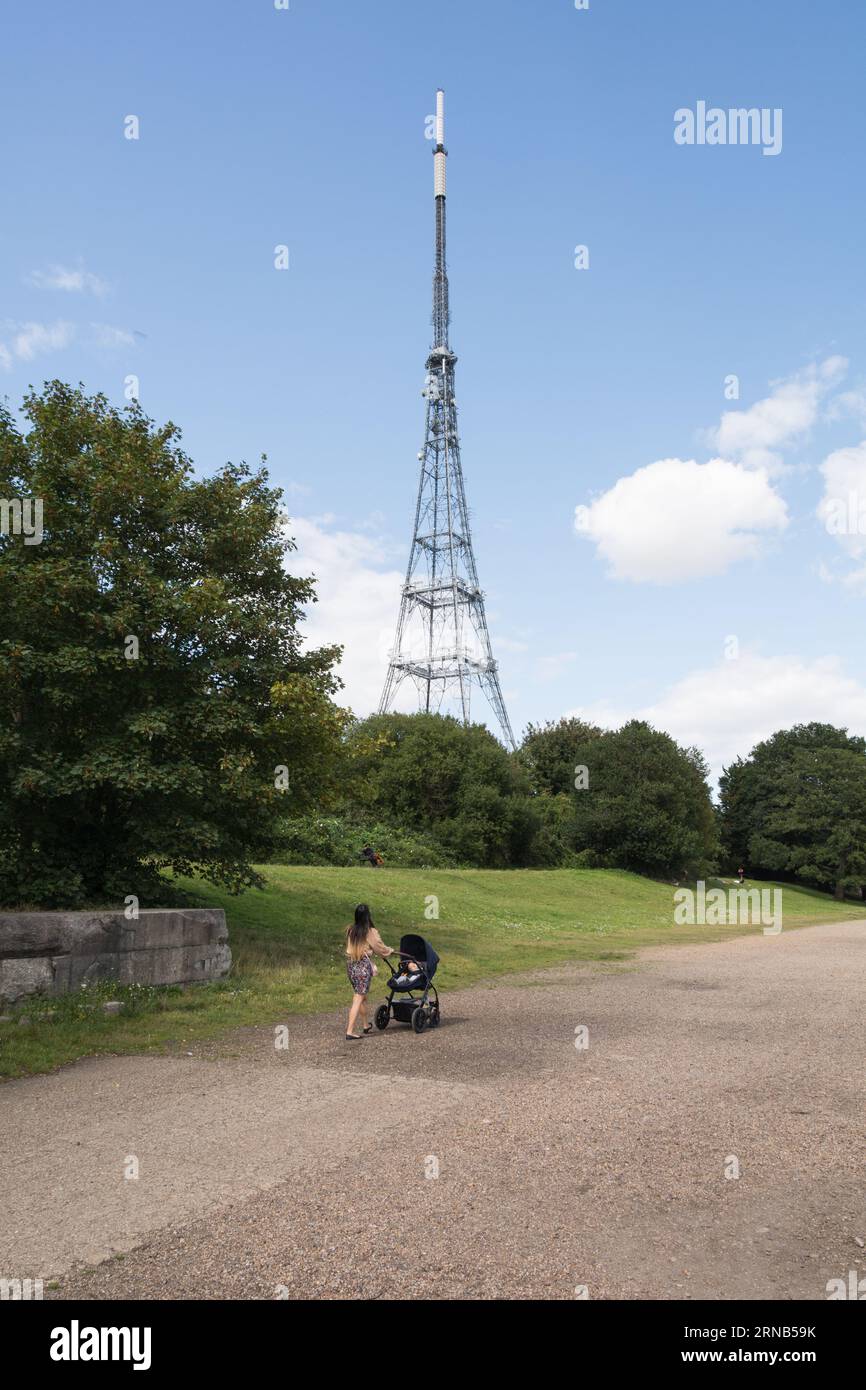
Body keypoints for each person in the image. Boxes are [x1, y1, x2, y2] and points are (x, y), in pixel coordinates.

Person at [344, 903, 394, 1040]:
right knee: (358, 997)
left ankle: (366, 1025)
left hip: (351, 965)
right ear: (367, 916)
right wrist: (390, 951)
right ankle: (350, 1031)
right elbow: (379, 948)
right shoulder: (369, 931)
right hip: (362, 966)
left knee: (361, 996)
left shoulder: (350, 930)